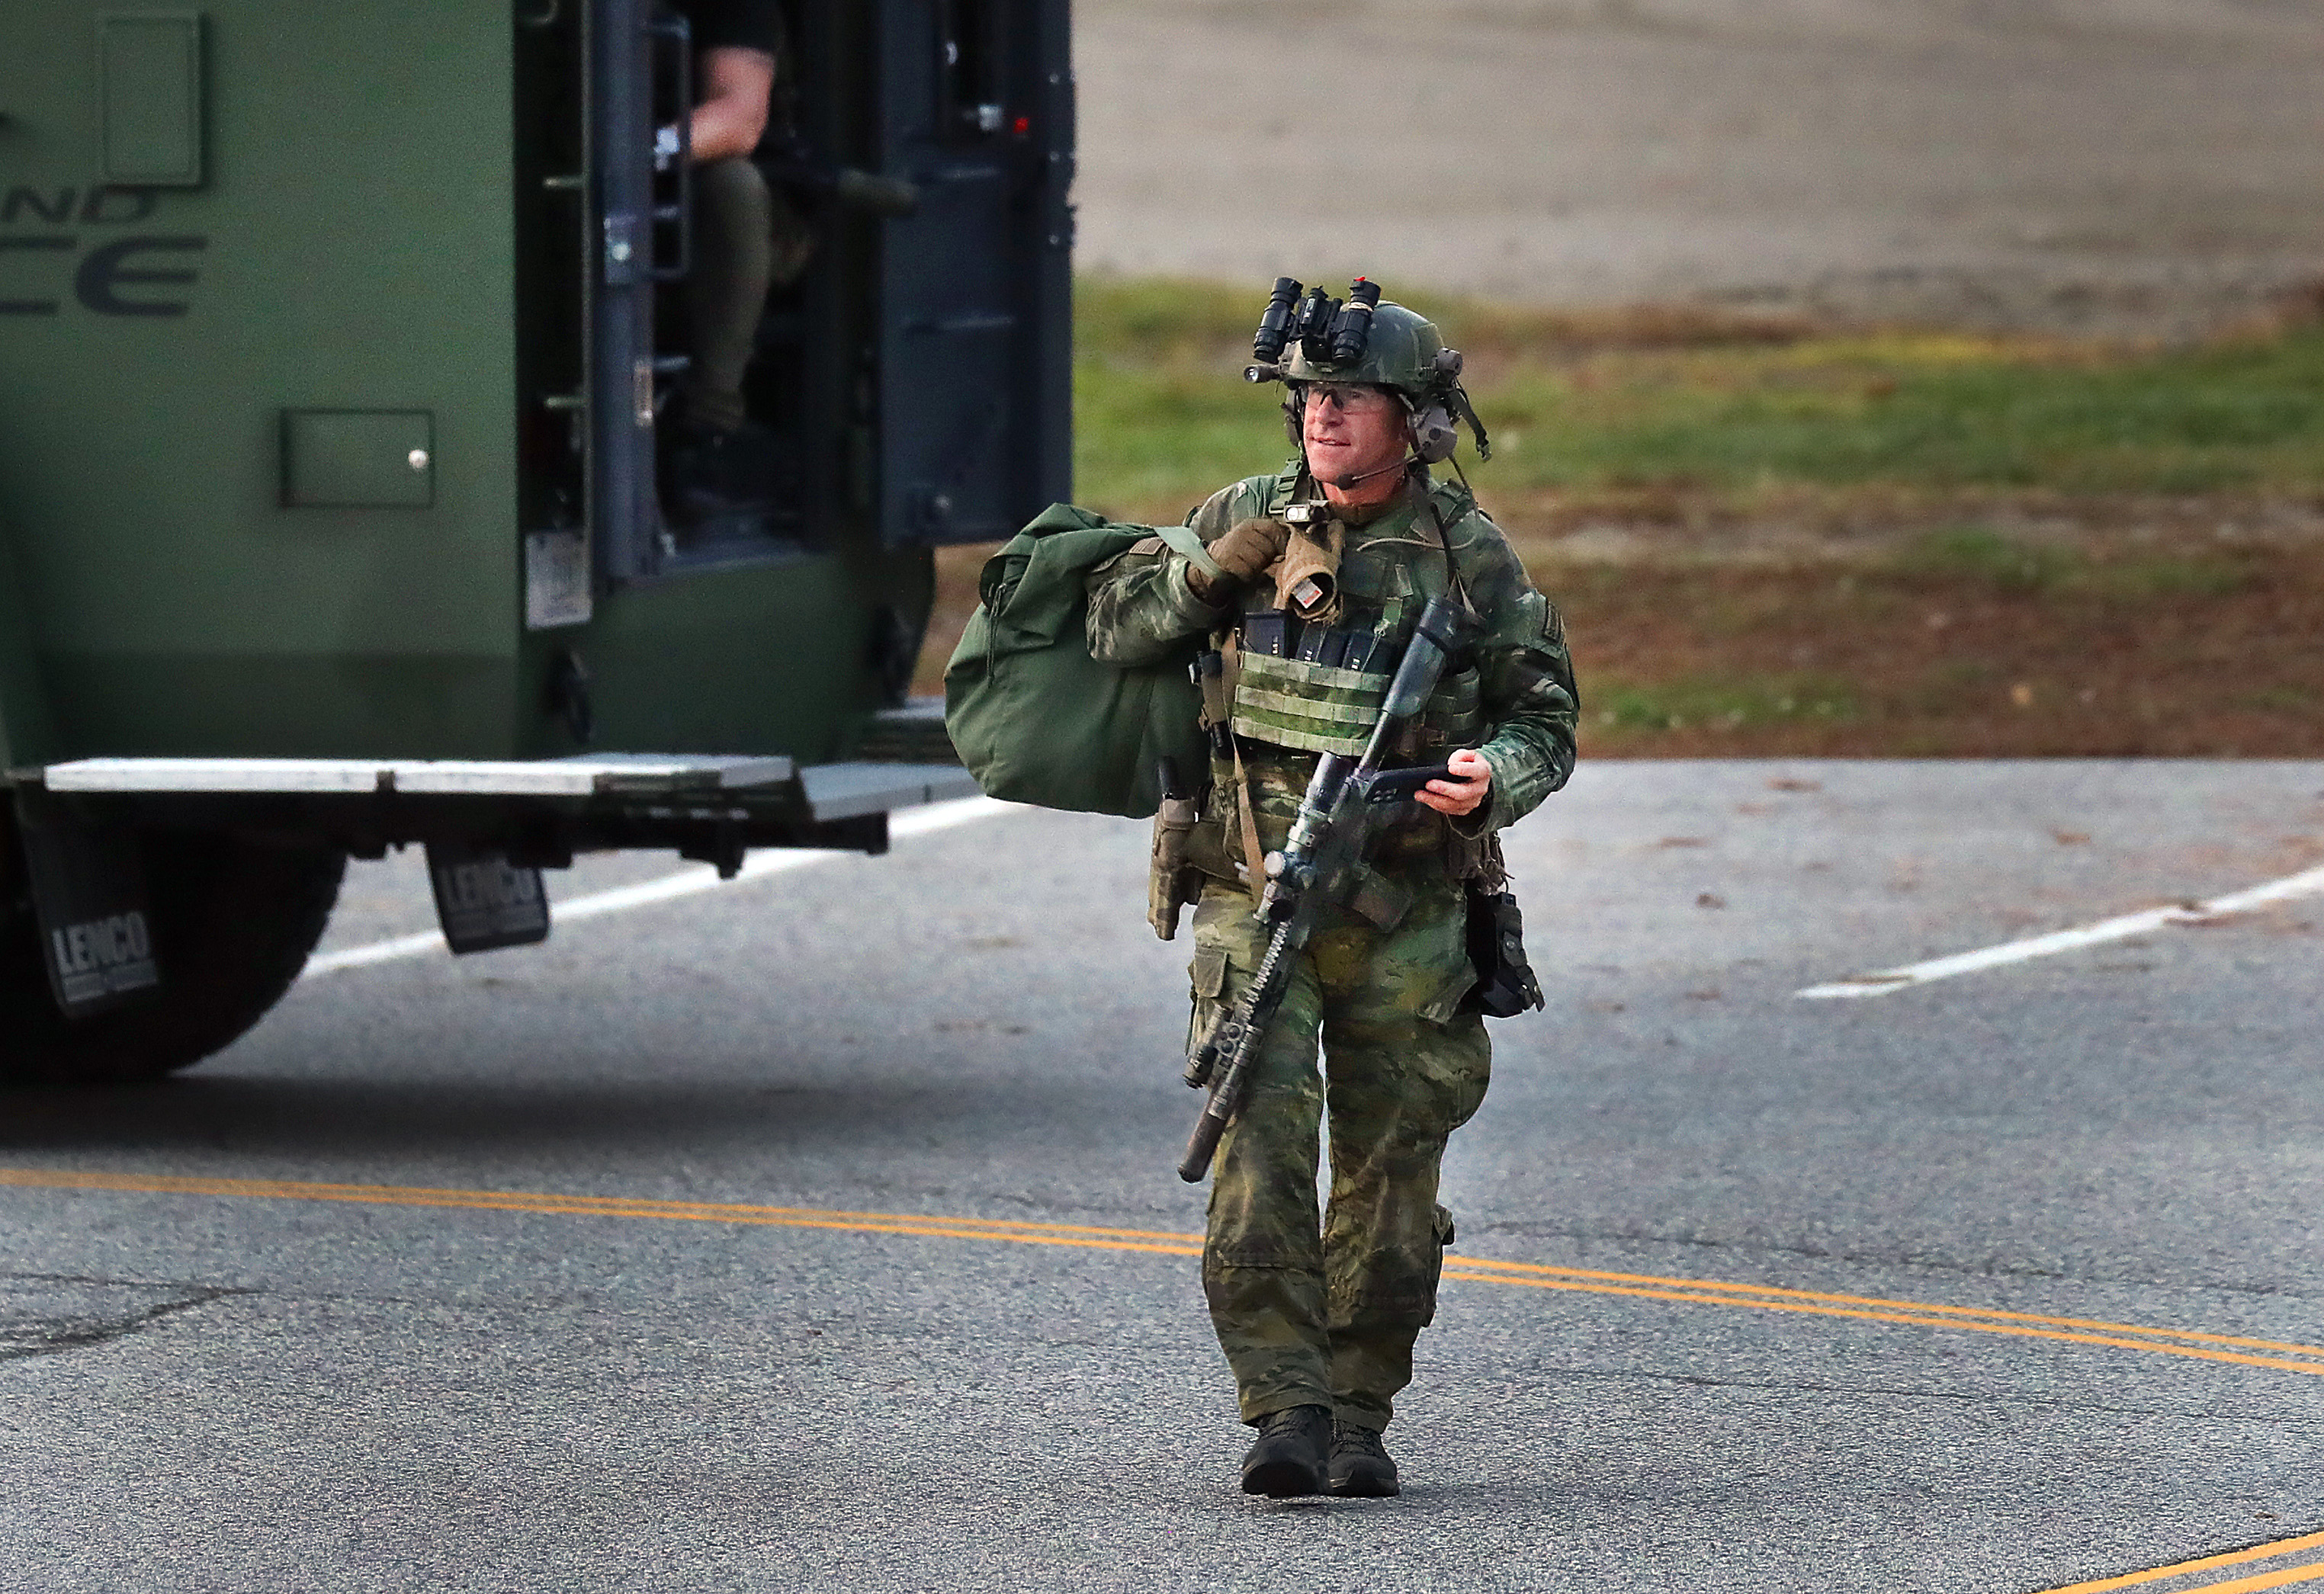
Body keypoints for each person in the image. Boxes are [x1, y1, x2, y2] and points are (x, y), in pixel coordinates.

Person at [1085, 288, 1578, 1498]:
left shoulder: (1471, 555)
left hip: (1408, 909)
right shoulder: (1244, 519)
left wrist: (1487, 778)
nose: (1319, 417)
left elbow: (1546, 719)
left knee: (1392, 1171)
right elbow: (1113, 626)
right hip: (1258, 893)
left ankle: (1360, 1408)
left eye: (1346, 399)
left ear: (1413, 421)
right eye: (1305, 398)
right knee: (1255, 1147)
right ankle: (1285, 1405)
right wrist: (1206, 577)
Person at [660, 0, 817, 522]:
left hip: (713, 203)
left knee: (735, 186)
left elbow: (737, 118)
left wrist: (635, 157)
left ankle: (709, 432)